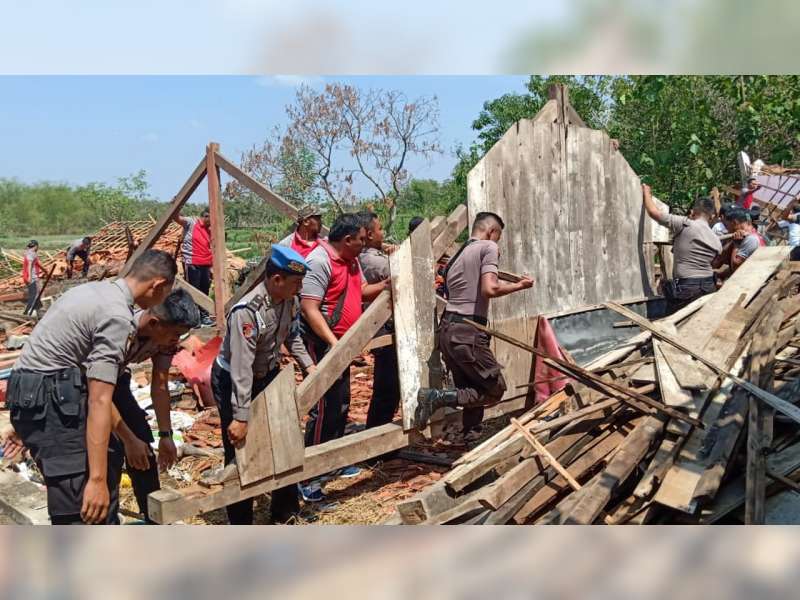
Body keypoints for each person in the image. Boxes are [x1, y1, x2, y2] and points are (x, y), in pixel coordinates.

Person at [5, 249, 176, 524]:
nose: (160, 302)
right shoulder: (117, 316)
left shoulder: (91, 291)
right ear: (157, 286)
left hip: (31, 393)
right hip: (52, 398)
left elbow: (48, 354)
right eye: (164, 294)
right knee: (82, 505)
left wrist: (28, 421)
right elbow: (99, 400)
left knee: (97, 480)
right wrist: (96, 480)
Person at [211, 244, 315, 524]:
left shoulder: (289, 300)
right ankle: (241, 521)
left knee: (283, 438)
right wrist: (241, 416)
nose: (300, 288)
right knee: (240, 449)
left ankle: (285, 512)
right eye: (296, 282)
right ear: (276, 280)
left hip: (266, 373)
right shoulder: (247, 312)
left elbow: (292, 337)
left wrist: (310, 366)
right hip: (234, 380)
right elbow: (242, 369)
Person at [415, 212, 534, 439]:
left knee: (471, 387)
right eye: (497, 237)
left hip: (449, 329)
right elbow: (489, 289)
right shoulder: (488, 247)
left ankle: (470, 437)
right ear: (491, 232)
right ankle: (437, 398)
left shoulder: (456, 256)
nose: (497, 244)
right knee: (495, 388)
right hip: (468, 330)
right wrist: (520, 286)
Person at [297, 213, 389, 501]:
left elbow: (360, 291)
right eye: (361, 240)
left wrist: (387, 286)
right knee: (324, 406)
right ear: (347, 239)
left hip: (341, 344)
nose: (365, 244)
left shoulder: (350, 261)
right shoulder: (319, 262)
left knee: (341, 403)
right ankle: (308, 473)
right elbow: (309, 308)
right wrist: (334, 342)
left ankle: (333, 459)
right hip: (322, 343)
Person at [111, 289, 201, 522]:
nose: (175, 341)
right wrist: (127, 440)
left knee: (143, 449)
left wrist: (165, 435)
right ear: (155, 323)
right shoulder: (119, 331)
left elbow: (160, 383)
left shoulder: (166, 339)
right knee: (110, 451)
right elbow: (98, 394)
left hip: (117, 381)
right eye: (174, 335)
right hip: (87, 386)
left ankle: (153, 517)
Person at [642, 184, 721, 314]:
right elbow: (715, 262)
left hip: (687, 287)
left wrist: (646, 192)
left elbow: (653, 212)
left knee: (675, 325)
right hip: (708, 286)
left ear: (692, 212)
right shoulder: (716, 239)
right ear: (712, 217)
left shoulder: (684, 223)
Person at [357, 211, 400, 432]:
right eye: (380, 229)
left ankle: (380, 433)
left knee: (390, 383)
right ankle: (377, 432)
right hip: (382, 325)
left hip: (382, 323)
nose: (383, 232)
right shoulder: (373, 260)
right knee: (388, 384)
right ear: (371, 234)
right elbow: (404, 272)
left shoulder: (372, 255)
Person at [713, 208, 766, 280]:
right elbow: (720, 261)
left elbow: (735, 268)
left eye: (727, 226)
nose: (727, 230)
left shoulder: (751, 239)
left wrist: (736, 244)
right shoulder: (746, 236)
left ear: (735, 223)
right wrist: (720, 274)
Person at [174, 209, 213, 296]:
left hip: (205, 265)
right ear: (206, 216)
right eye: (211, 219)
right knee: (193, 292)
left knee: (205, 290)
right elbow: (176, 218)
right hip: (193, 264)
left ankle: (203, 310)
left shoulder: (209, 229)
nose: (212, 223)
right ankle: (193, 309)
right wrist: (175, 206)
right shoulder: (191, 222)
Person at [22, 239, 45, 316]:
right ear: (36, 246)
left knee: (37, 293)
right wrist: (30, 277)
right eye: (37, 247)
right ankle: (29, 311)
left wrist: (46, 271)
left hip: (30, 276)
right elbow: (29, 265)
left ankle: (37, 309)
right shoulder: (31, 254)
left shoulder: (30, 253)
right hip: (30, 277)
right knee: (34, 294)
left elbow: (38, 264)